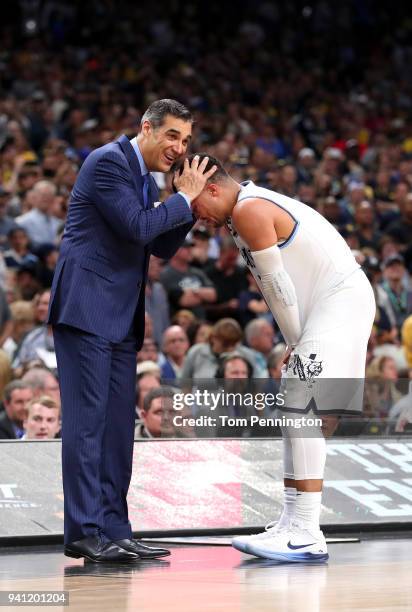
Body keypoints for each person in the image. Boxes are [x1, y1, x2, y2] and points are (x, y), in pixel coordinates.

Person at [182, 153, 375, 562]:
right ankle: (292, 523)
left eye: (195, 202)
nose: (194, 214)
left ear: (213, 188)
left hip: (339, 303)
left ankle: (306, 531)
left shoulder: (250, 209)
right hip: (330, 306)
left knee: (301, 409)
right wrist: (297, 340)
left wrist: (293, 340)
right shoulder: (240, 212)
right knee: (296, 408)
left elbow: (277, 288)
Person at [46, 99, 217, 564]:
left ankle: (115, 529)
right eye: (172, 136)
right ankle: (84, 531)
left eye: (185, 140)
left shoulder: (143, 178)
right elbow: (140, 226)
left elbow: (159, 244)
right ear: (147, 127)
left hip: (120, 318)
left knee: (119, 428)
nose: (179, 147)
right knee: (87, 427)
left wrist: (192, 207)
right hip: (86, 311)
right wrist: (180, 199)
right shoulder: (107, 163)